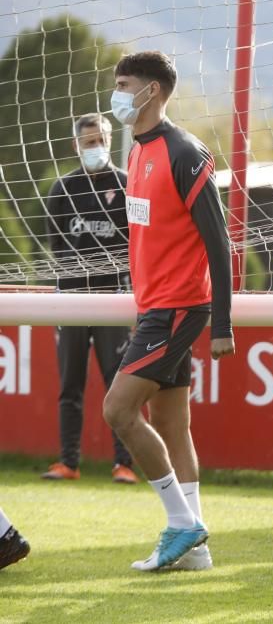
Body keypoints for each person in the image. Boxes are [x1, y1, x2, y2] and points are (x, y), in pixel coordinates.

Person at [102, 51, 235, 572]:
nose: (115, 93)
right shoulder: (136, 149)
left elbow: (219, 243)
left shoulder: (185, 152)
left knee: (118, 410)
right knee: (172, 423)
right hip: (155, 307)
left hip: (180, 307)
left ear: (151, 90)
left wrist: (221, 323)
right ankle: (196, 552)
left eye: (122, 83)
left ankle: (182, 524)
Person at [42, 113, 136, 484]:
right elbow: (57, 249)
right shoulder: (61, 190)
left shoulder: (128, 187)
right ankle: (69, 462)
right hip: (71, 301)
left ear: (111, 141)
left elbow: (136, 246)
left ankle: (123, 463)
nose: (95, 147)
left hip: (114, 300)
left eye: (101, 141)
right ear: (75, 145)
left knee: (119, 386)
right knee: (70, 386)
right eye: (88, 142)